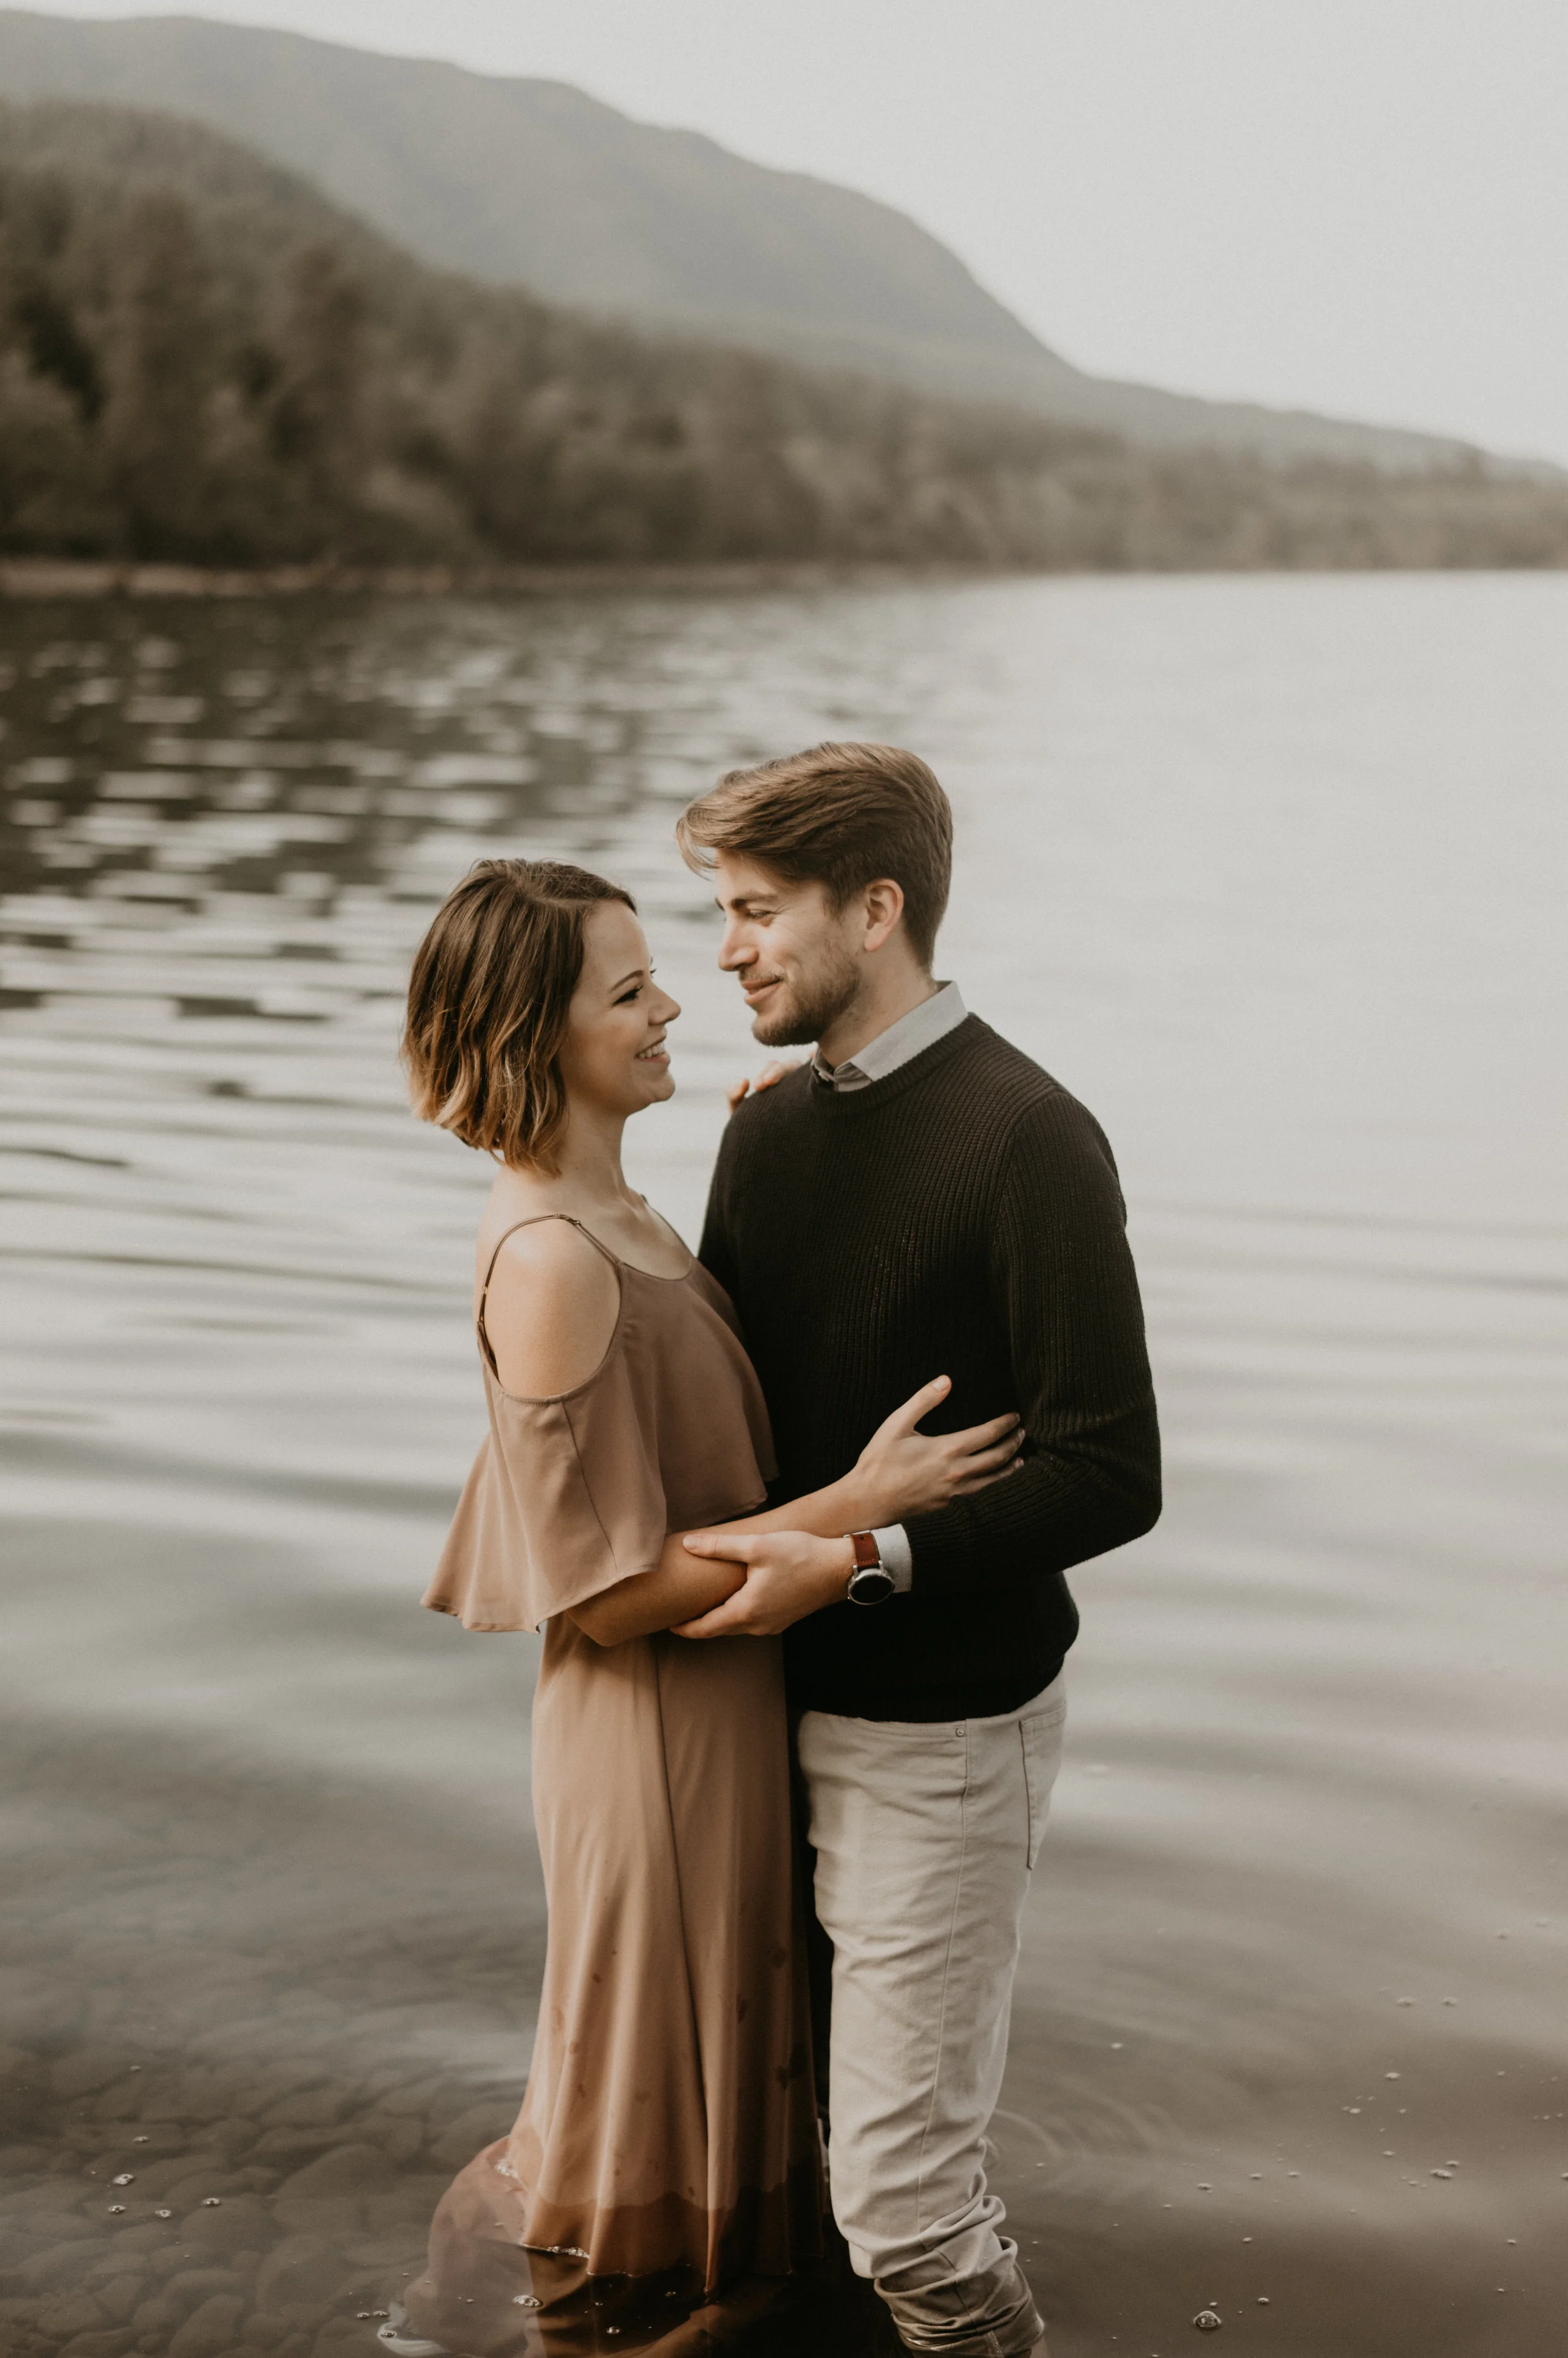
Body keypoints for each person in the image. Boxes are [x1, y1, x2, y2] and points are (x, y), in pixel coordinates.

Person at [395, 857, 1024, 2342]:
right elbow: (607, 1597)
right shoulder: (550, 1257)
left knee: (693, 2060)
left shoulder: (612, 1206)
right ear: (535, 1035)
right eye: (628, 993)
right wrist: (858, 1509)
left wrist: (795, 1137)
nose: (677, 1000)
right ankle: (506, 2307)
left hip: (717, 1707)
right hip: (650, 1732)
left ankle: (646, 2298)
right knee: (631, 2086)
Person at [673, 744, 1162, 2358]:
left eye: (754, 913)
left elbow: (1112, 1470)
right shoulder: (765, 1133)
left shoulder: (1032, 1138)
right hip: (766, 1709)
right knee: (793, 2159)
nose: (726, 951)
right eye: (718, 917)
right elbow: (736, 1418)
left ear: (874, 909)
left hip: (941, 1733)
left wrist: (864, 1559)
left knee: (903, 2210)